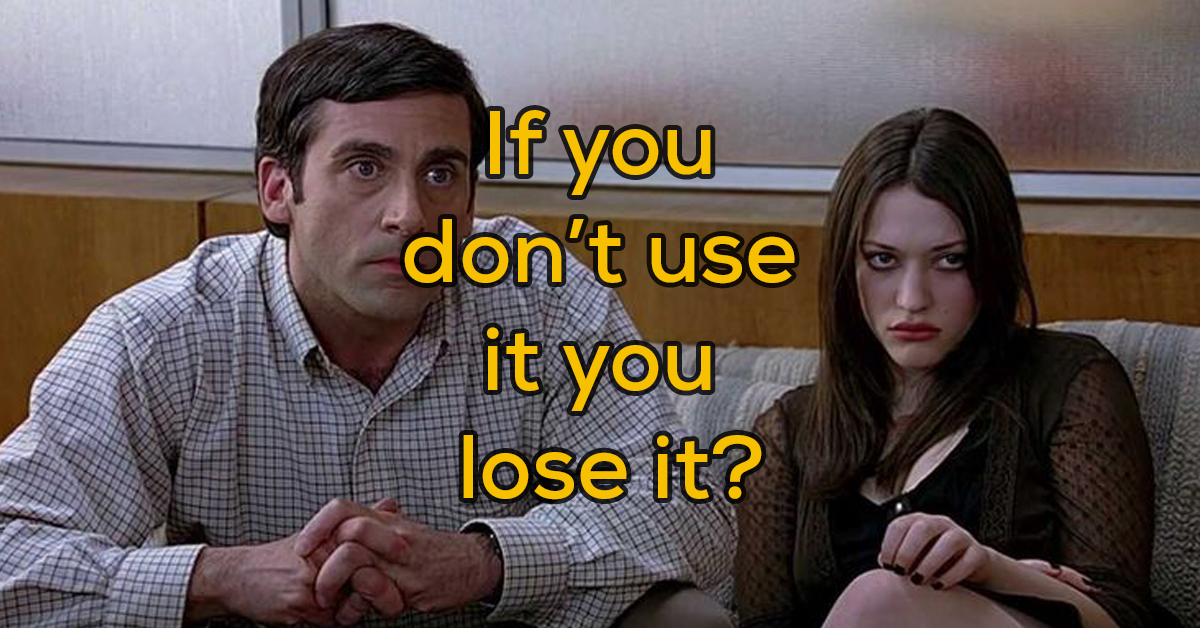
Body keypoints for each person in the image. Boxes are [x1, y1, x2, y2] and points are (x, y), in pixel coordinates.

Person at [0, 23, 734, 627]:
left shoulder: (541, 297)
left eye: (441, 174)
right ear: (278, 189)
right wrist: (220, 577)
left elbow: (692, 510)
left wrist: (483, 560)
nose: (409, 216)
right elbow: (11, 552)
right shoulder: (165, 331)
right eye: (364, 168)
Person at [734, 108, 1171, 628]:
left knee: (882, 596)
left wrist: (992, 569)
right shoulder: (787, 435)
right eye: (882, 259)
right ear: (846, 266)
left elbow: (1124, 616)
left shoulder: (1067, 382)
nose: (912, 298)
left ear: (992, 260)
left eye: (950, 261)